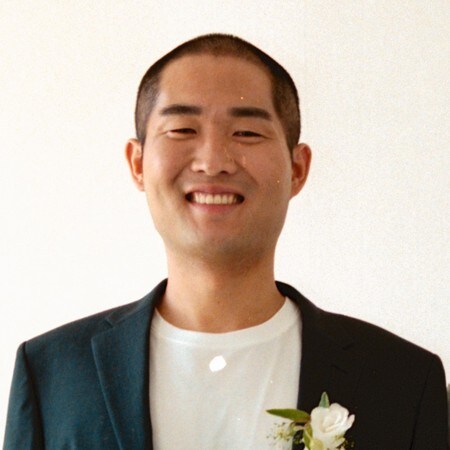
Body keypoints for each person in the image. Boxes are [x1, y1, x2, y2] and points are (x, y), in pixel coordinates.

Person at [3, 33, 447, 450]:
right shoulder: (50, 374)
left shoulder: (404, 380)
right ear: (137, 163)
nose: (213, 161)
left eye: (247, 133)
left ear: (297, 169)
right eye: (182, 129)